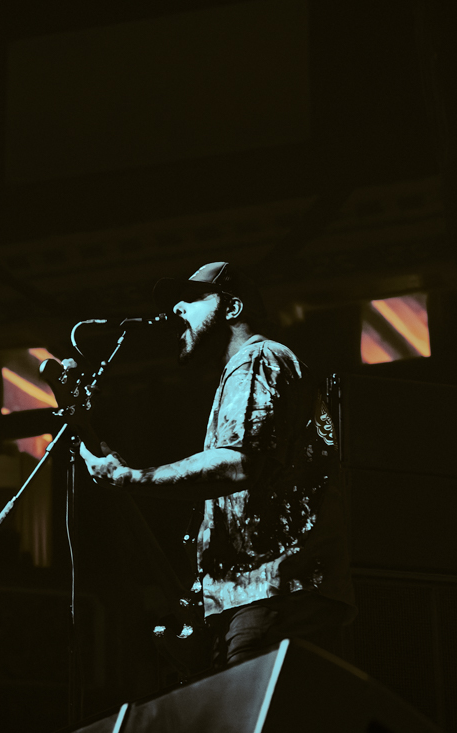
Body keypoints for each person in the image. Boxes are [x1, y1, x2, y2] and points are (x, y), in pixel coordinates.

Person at [80, 261, 356, 668]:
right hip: (262, 597)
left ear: (232, 309)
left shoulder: (258, 359)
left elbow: (236, 466)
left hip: (276, 592)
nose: (177, 309)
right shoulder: (246, 369)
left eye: (192, 298)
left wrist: (131, 477)